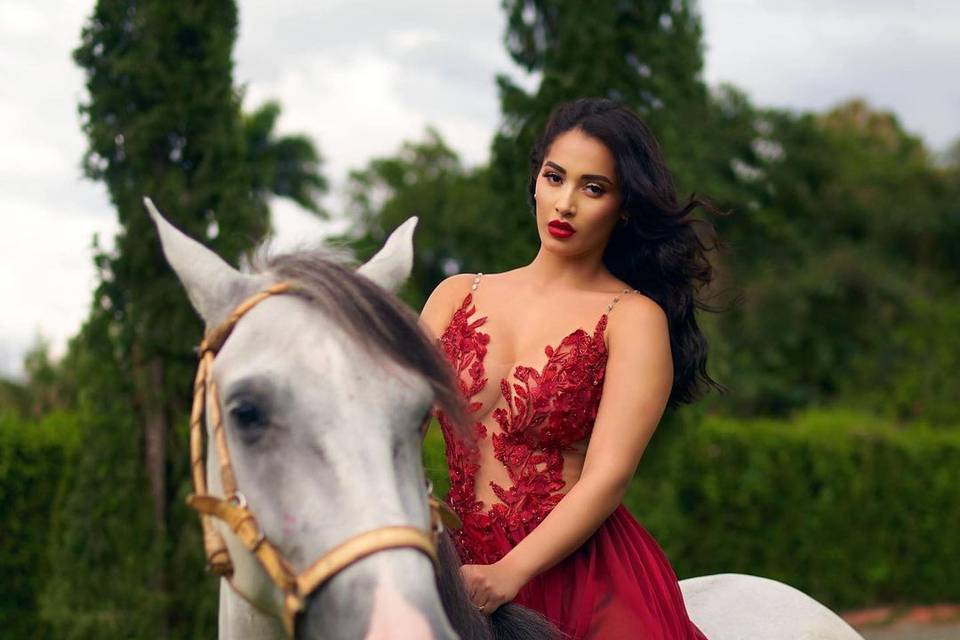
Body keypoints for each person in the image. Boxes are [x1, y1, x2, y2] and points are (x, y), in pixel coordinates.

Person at [419, 97, 717, 640]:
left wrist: (509, 573)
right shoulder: (454, 295)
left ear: (623, 207)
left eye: (593, 188)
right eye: (555, 178)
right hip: (450, 569)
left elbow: (609, 475)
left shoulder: (633, 319)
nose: (565, 204)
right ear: (535, 180)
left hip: (579, 579)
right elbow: (385, 422)